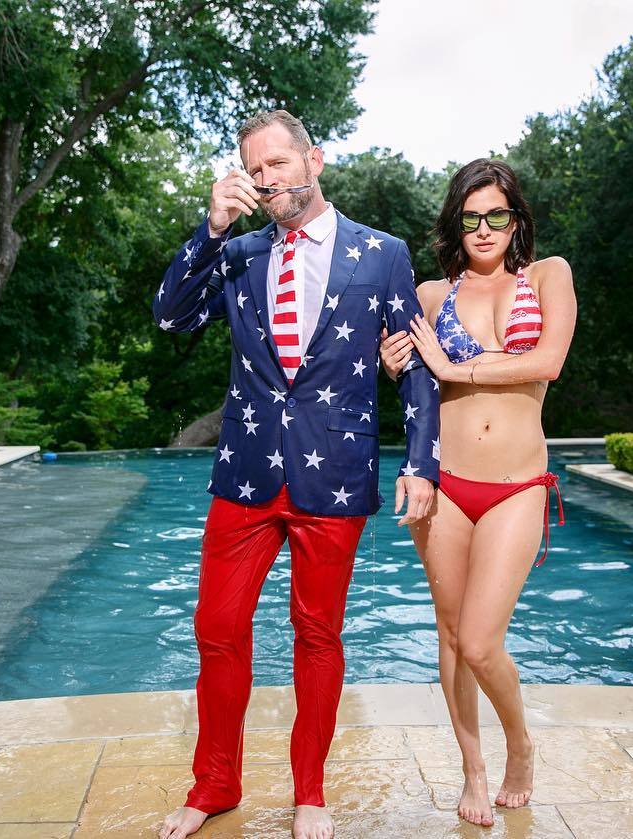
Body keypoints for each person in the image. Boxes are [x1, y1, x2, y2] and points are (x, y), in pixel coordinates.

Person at [153, 110, 440, 839]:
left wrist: (421, 463)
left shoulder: (381, 253)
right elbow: (171, 317)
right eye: (254, 170)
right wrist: (211, 228)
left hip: (333, 473)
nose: (266, 179)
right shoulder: (239, 252)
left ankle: (310, 790)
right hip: (245, 471)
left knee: (318, 634)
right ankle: (215, 783)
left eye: (277, 163)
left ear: (315, 160)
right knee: (217, 627)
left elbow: (415, 366)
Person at [379, 158, 576, 827]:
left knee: (481, 642)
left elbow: (548, 361)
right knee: (449, 631)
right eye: (471, 218)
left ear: (516, 219)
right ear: (456, 223)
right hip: (447, 482)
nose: (484, 228)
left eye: (497, 215)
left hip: (517, 484)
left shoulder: (548, 275)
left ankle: (519, 745)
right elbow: (416, 380)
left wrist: (455, 366)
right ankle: (473, 767)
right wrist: (395, 364)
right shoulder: (432, 295)